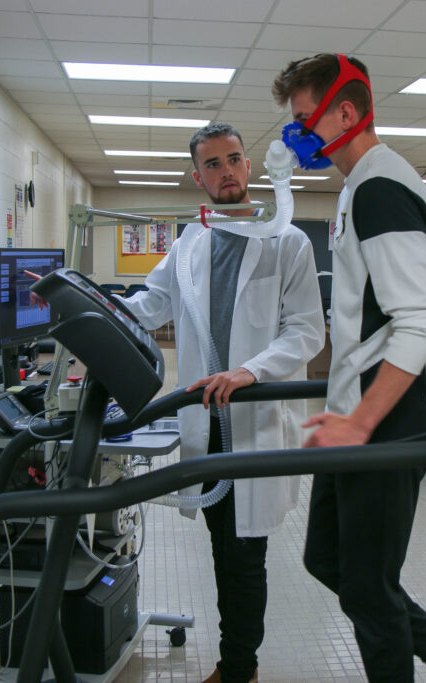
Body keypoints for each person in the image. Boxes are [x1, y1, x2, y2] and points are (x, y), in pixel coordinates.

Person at [272, 54, 426, 683]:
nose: (295, 136)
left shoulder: (381, 188)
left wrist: (362, 421)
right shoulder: (357, 186)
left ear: (345, 113)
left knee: (369, 590)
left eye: (302, 121)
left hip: (387, 424)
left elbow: (422, 321)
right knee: (329, 560)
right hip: (358, 419)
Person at [123, 121, 325, 683]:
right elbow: (154, 301)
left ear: (249, 166)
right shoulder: (191, 241)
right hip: (206, 420)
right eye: (213, 164)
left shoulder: (288, 241)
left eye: (234, 158)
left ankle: (240, 668)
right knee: (223, 548)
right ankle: (236, 662)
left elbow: (307, 331)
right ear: (198, 178)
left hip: (254, 417)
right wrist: (96, 303)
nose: (227, 171)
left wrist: (249, 370)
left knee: (244, 556)